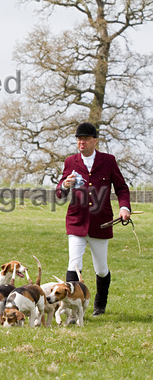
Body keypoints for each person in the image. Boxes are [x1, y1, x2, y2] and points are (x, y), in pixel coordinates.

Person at [56, 122, 131, 316]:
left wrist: (124, 208)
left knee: (101, 269)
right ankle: (72, 309)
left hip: (101, 223)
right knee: (74, 264)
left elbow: (122, 188)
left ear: (95, 141)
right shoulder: (71, 162)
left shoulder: (108, 161)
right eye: (79, 139)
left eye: (86, 139)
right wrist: (65, 185)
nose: (82, 142)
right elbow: (59, 193)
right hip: (76, 222)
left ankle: (100, 304)